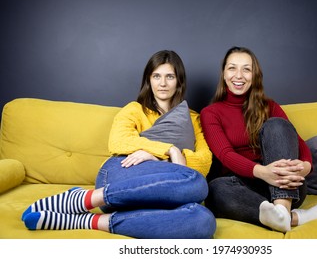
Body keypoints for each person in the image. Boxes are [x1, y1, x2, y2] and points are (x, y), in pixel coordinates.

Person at [21, 50, 216, 239]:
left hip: (164, 193)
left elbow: (204, 162)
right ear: (149, 80)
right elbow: (119, 141)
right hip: (120, 173)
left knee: (203, 220)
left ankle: (88, 221)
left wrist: (157, 158)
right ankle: (85, 199)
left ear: (179, 81)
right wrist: (169, 150)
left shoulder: (193, 119)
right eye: (156, 76)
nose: (162, 83)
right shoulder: (134, 109)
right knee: (197, 184)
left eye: (170, 77)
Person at [200, 46, 317, 233]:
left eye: (246, 69)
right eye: (232, 68)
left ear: (254, 75)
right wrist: (264, 172)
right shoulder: (210, 113)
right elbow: (225, 155)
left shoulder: (270, 106)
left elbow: (299, 143)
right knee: (215, 190)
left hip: (285, 187)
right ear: (224, 74)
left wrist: (304, 168)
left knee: (277, 125)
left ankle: (282, 209)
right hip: (238, 188)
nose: (239, 75)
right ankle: (294, 217)